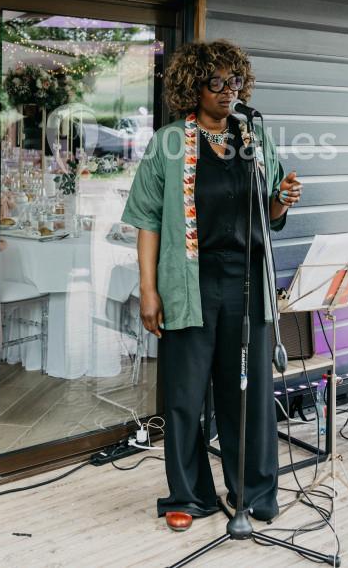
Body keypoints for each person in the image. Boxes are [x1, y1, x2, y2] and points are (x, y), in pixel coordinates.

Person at [121, 39, 301, 532]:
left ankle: (254, 492)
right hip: (189, 282)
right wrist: (149, 288)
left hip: (246, 282)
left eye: (234, 82)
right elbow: (147, 219)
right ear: (192, 87)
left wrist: (283, 200)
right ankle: (189, 494)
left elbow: (269, 214)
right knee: (185, 395)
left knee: (248, 392)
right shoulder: (169, 143)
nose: (227, 91)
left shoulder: (255, 137)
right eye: (216, 83)